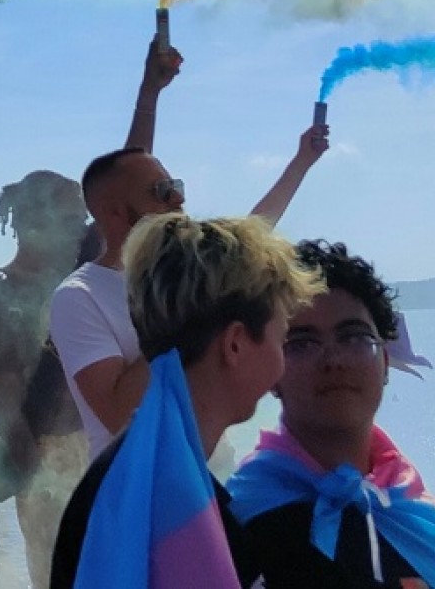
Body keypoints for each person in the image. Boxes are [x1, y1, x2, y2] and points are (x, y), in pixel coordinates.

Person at [49, 35, 329, 461]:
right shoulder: (78, 297)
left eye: (176, 187)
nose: (178, 200)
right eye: (162, 192)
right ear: (114, 215)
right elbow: (115, 411)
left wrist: (302, 161)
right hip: (140, 491)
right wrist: (186, 314)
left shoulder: (187, 271)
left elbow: (254, 230)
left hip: (210, 475)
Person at [49, 212, 322, 589]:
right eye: (283, 335)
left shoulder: (128, 478)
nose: (285, 356)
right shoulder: (173, 507)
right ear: (236, 344)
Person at [227, 240, 435, 588]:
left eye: (354, 337)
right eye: (301, 343)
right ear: (271, 371)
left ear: (386, 362)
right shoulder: (243, 522)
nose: (334, 360)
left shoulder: (411, 507)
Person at [0, 169, 92, 588]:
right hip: (47, 461)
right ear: (32, 224)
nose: (83, 230)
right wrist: (41, 484)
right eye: (72, 220)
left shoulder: (79, 282)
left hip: (99, 447)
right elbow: (8, 410)